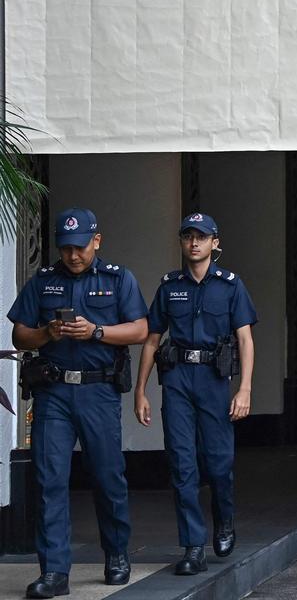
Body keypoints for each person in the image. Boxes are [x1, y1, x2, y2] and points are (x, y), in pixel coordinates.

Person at [8, 208, 148, 598]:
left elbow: (140, 329)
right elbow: (20, 335)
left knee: (107, 476)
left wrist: (97, 331)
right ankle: (54, 572)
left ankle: (117, 553)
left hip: (97, 392)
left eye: (81, 247)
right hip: (53, 393)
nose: (73, 255)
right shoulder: (44, 281)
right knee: (49, 479)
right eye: (66, 248)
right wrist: (46, 333)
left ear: (96, 241)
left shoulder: (118, 279)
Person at [135, 212, 256, 576]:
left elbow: (245, 339)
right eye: (188, 236)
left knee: (219, 463)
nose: (194, 243)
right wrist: (140, 390)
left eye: (201, 237)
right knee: (182, 465)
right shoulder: (169, 286)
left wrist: (245, 388)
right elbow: (152, 339)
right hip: (176, 380)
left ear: (214, 243)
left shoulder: (230, 285)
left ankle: (224, 520)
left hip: (213, 380)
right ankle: (192, 546)